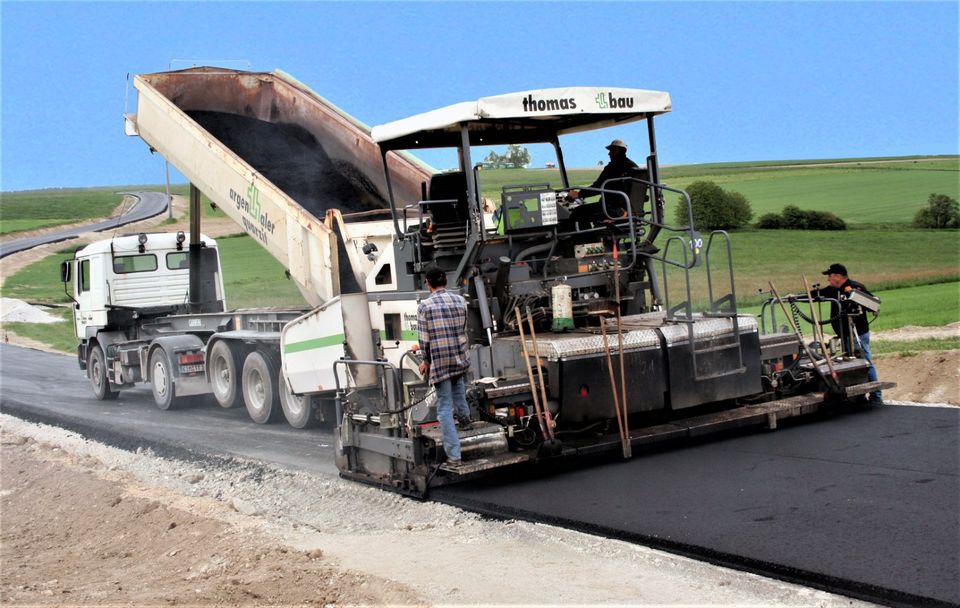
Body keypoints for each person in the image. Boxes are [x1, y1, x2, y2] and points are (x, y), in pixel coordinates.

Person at [417, 265, 472, 466]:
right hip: (459, 356)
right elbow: (464, 329)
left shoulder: (425, 306)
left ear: (427, 283)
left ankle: (454, 456)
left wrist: (426, 362)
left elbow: (424, 340)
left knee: (444, 408)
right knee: (459, 389)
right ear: (445, 282)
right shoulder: (460, 301)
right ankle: (466, 420)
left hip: (441, 361)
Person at [565, 139, 659, 253]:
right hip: (630, 211)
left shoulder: (613, 167)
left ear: (618, 150)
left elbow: (598, 186)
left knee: (578, 212)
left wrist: (579, 194)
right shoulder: (633, 167)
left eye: (611, 150)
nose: (609, 153)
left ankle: (586, 244)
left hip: (613, 209)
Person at [812, 263, 882, 403]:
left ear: (838, 276)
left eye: (830, 276)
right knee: (850, 366)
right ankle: (858, 396)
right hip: (844, 336)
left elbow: (874, 304)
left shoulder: (856, 287)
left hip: (858, 334)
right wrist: (793, 297)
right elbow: (814, 295)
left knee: (865, 363)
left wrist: (854, 295)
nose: (828, 280)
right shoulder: (832, 290)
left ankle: (876, 396)